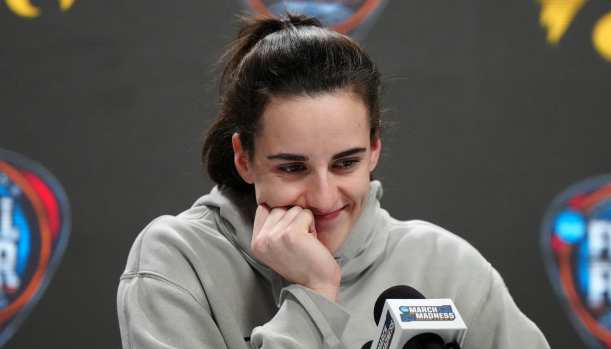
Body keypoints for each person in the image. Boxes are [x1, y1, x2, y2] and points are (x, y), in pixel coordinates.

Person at [117, 13, 550, 349]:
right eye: (292, 167)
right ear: (244, 159)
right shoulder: (177, 260)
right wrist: (312, 295)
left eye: (345, 163)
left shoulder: (445, 265)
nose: (323, 198)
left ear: (374, 150)